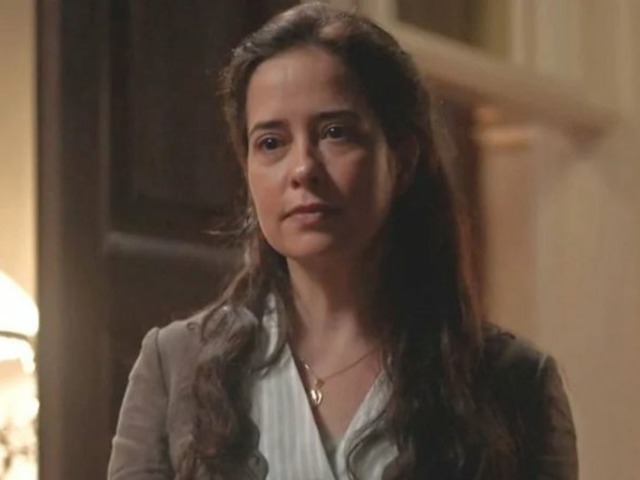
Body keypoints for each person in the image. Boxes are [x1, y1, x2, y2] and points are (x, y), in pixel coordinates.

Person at [107, 3, 577, 479]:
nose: (303, 169)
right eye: (271, 142)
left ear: (402, 159)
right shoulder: (176, 367)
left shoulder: (514, 382)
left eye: (335, 133)